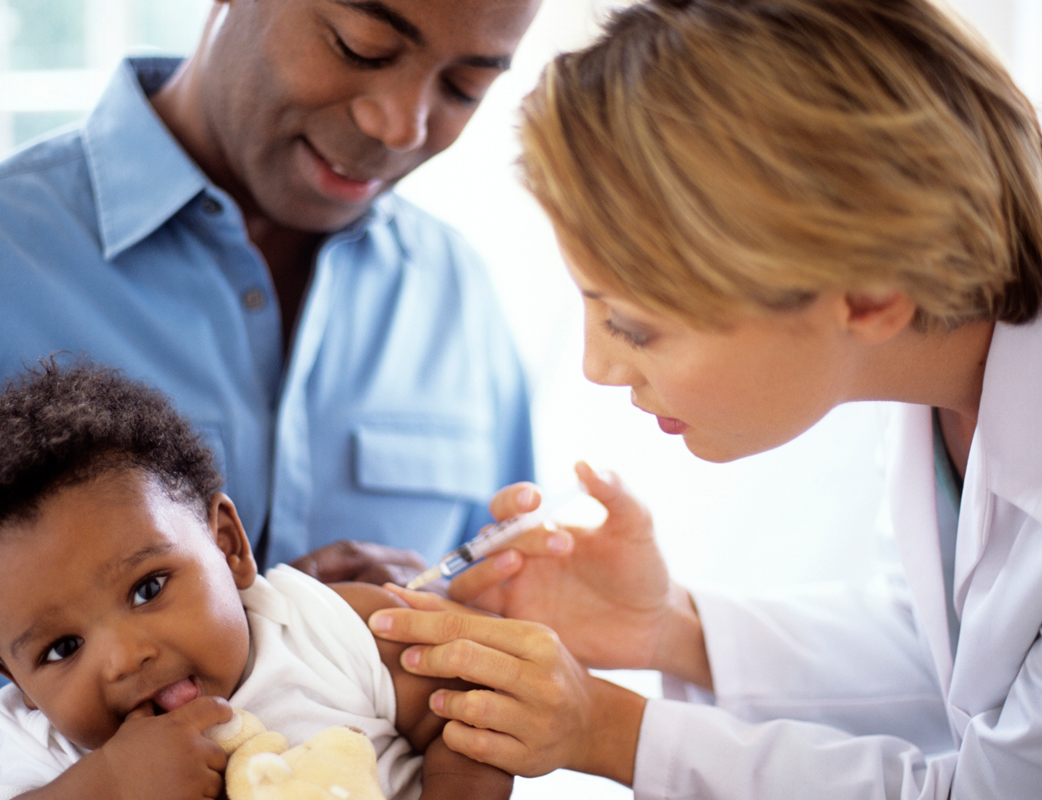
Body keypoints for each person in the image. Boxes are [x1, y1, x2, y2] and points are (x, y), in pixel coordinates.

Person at [0, 0, 540, 797]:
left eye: (464, 86)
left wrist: (300, 628)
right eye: (361, 46)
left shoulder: (459, 296)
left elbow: (488, 656)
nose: (398, 125)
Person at [365, 0, 1042, 797]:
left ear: (867, 296)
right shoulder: (941, 386)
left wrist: (609, 731)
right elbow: (948, 659)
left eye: (634, 327)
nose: (598, 367)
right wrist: (670, 630)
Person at [0, 358, 512, 800]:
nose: (124, 657)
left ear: (227, 546)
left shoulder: (326, 628)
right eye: (62, 649)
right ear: (16, 680)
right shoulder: (54, 757)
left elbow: (471, 714)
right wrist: (107, 787)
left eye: (148, 588)